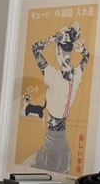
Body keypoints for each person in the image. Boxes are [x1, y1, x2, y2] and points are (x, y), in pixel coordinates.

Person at [23, 23, 91, 172]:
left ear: (58, 53)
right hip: (63, 147)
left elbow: (35, 48)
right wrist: (82, 50)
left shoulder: (53, 76)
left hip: (51, 146)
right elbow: (86, 56)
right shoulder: (77, 74)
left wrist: (53, 38)